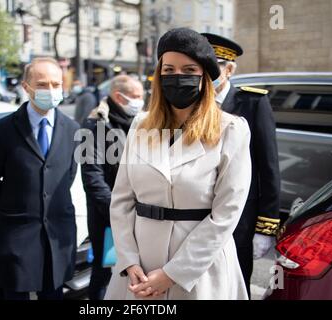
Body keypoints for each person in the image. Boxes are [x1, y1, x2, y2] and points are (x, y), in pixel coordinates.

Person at [104, 28, 251, 300]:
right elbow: (122, 200)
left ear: (204, 77)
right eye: (168, 69)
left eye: (188, 69)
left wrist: (174, 273)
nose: (177, 77)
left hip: (199, 268)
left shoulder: (231, 129)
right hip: (140, 268)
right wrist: (128, 260)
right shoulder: (140, 125)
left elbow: (227, 213)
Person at [0, 57, 80, 300]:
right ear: (26, 88)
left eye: (56, 84)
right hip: (18, 236)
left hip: (58, 237)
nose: (51, 90)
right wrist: (16, 207)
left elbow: (67, 176)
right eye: (43, 84)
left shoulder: (73, 129)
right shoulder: (3, 129)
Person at [203, 33, 281, 297]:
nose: (205, 74)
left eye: (212, 68)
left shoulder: (253, 102)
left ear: (229, 69)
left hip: (240, 218)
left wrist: (265, 227)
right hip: (198, 215)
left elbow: (268, 166)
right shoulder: (189, 102)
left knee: (234, 285)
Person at [81, 75, 144, 300]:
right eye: (136, 97)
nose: (141, 101)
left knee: (136, 273)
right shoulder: (94, 124)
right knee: (106, 274)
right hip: (108, 219)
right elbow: (92, 179)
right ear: (119, 96)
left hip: (141, 216)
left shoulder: (141, 122)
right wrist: (120, 212)